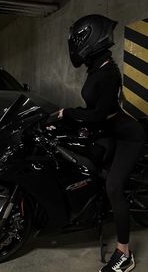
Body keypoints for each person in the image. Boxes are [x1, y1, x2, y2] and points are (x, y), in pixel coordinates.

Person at [57, 14, 146, 272]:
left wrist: (69, 113)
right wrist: (66, 116)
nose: (73, 46)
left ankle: (124, 254)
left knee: (114, 187)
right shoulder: (97, 66)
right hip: (109, 130)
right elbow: (94, 110)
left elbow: (97, 115)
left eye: (77, 40)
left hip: (128, 135)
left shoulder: (108, 72)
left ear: (90, 39)